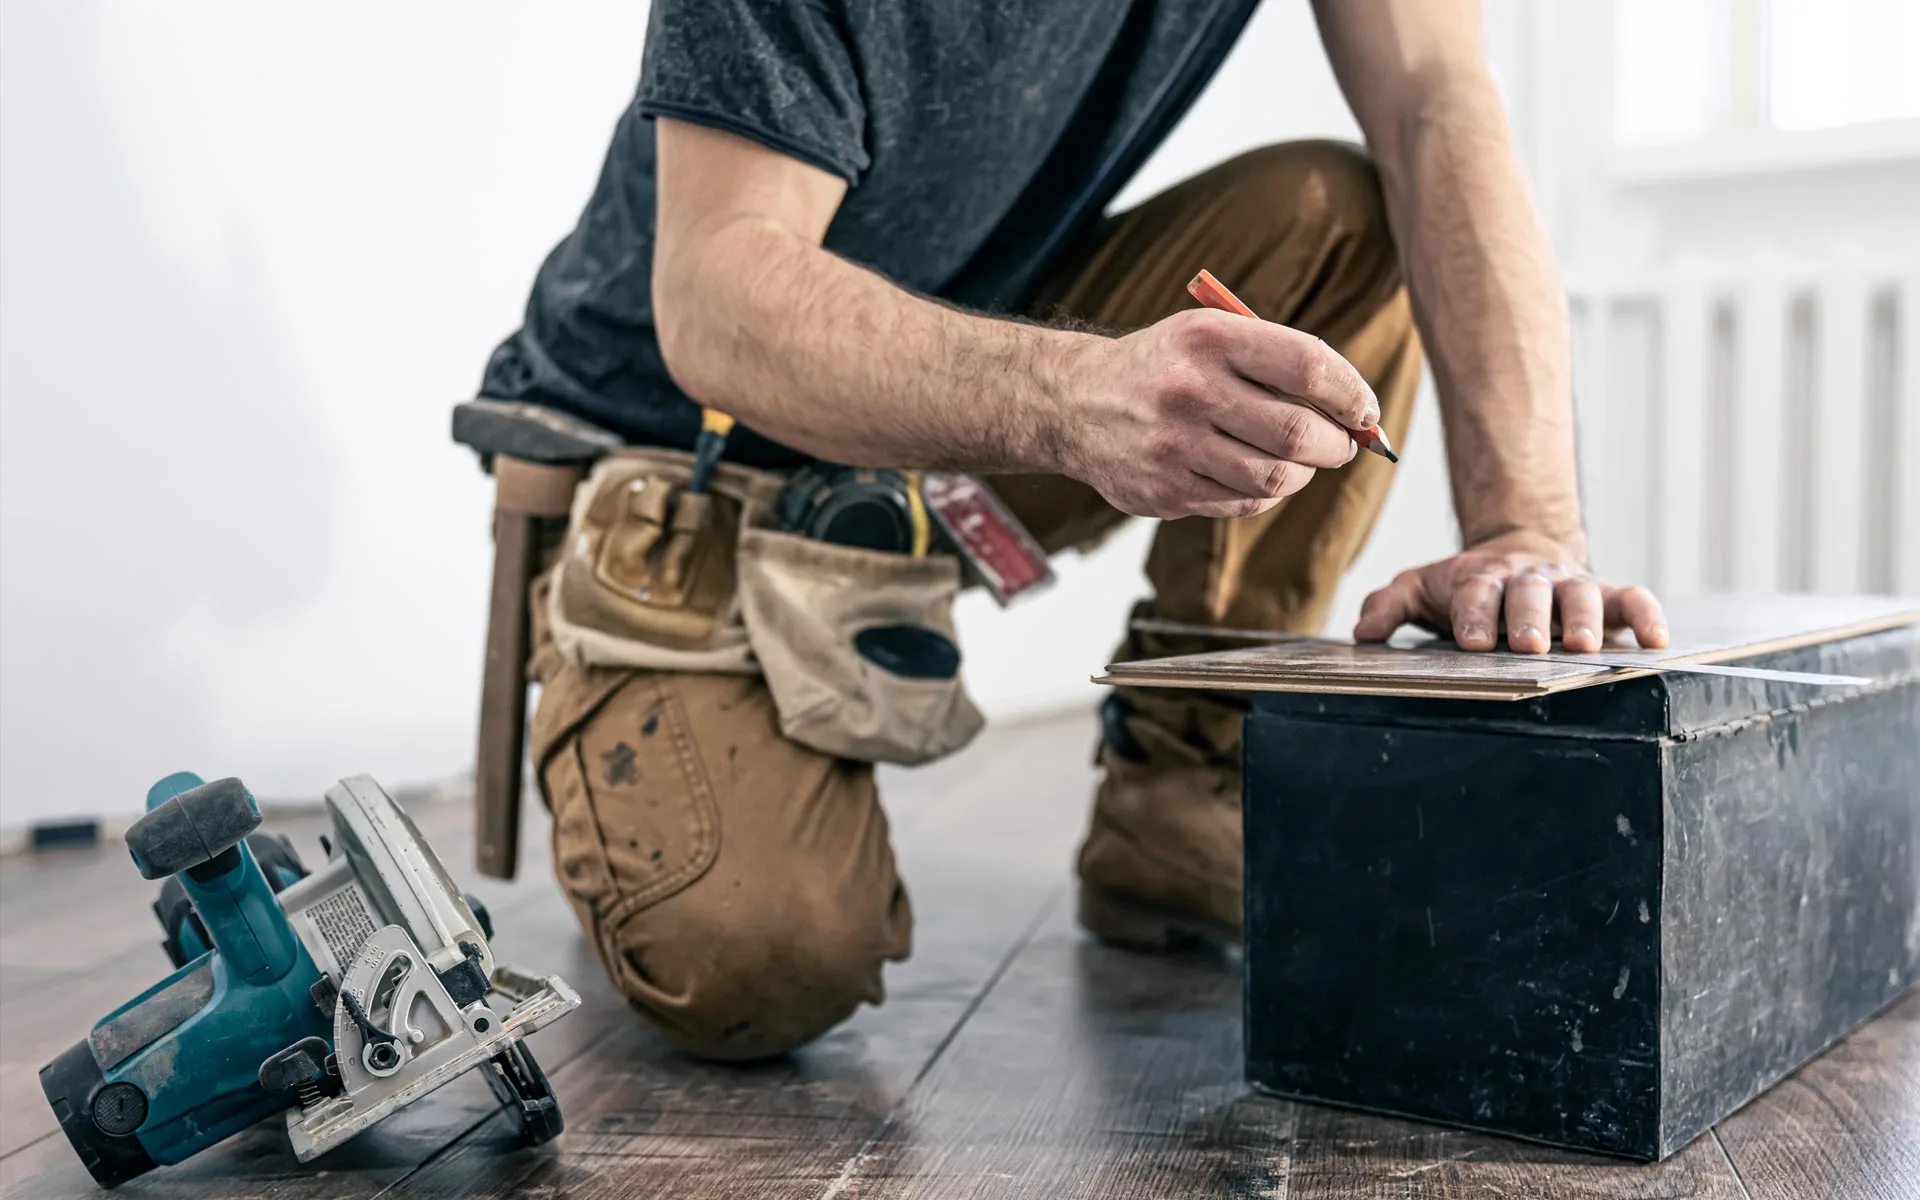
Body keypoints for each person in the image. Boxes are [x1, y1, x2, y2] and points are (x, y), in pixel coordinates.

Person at [478, 0, 1668, 1061]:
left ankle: (1181, 795)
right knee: (765, 965)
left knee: (1340, 218)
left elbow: (1435, 105)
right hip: (685, 458)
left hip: (943, 414)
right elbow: (717, 299)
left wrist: (1525, 527)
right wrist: (1071, 397)